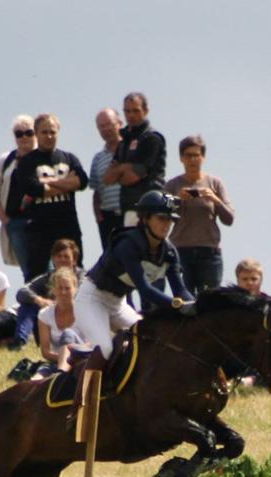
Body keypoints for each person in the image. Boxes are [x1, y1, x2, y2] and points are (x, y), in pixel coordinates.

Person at [75, 190, 192, 361]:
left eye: (171, 219)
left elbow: (180, 291)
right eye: (161, 218)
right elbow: (145, 290)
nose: (167, 224)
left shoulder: (170, 253)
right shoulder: (128, 244)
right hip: (92, 299)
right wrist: (178, 307)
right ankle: (82, 383)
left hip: (118, 304)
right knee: (106, 349)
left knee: (155, 342)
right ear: (145, 219)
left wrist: (196, 306)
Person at [15, 113, 88, 282]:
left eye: (53, 132)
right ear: (36, 133)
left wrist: (49, 181)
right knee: (36, 276)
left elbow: (82, 182)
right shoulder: (27, 162)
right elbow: (33, 188)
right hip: (39, 230)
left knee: (76, 274)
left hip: (68, 227)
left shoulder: (69, 158)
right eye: (44, 132)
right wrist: (66, 183)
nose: (49, 136)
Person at [163, 135, 235, 294]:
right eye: (188, 155)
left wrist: (215, 199)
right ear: (181, 158)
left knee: (210, 304)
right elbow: (160, 216)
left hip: (209, 253)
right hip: (180, 251)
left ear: (203, 157)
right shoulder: (172, 185)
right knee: (184, 301)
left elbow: (229, 219)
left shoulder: (215, 183)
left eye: (196, 155)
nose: (193, 160)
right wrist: (177, 200)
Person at [104, 92, 166, 225]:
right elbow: (108, 178)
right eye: (127, 111)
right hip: (128, 208)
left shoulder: (152, 138)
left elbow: (132, 177)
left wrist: (121, 170)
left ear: (146, 110)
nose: (131, 115)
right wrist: (124, 168)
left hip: (151, 208)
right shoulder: (123, 142)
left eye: (136, 111)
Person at [13, 238, 83, 347]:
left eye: (66, 257)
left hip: (77, 328)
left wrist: (62, 302)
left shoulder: (82, 277)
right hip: (51, 326)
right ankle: (19, 342)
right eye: (59, 256)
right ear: (53, 259)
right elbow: (22, 292)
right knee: (28, 305)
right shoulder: (48, 277)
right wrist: (39, 300)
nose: (62, 260)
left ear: (74, 260)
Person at [0, 115, 36, 269]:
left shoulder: (44, 157)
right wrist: (5, 220)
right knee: (28, 269)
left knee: (47, 268)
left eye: (29, 132)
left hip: (41, 221)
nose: (24, 137)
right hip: (16, 222)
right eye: (19, 134)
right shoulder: (5, 160)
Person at [37, 267, 86, 373]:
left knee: (68, 333)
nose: (63, 292)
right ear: (53, 289)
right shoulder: (44, 314)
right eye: (60, 288)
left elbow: (93, 343)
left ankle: (61, 374)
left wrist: (71, 356)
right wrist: (64, 358)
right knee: (36, 381)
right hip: (57, 361)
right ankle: (62, 370)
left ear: (75, 289)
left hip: (83, 359)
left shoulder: (85, 311)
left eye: (67, 288)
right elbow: (46, 352)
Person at [88, 108, 124, 250]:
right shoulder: (98, 158)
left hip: (132, 214)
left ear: (119, 123)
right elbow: (96, 191)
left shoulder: (132, 149)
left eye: (109, 124)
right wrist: (99, 216)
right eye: (101, 126)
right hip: (108, 219)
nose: (106, 129)